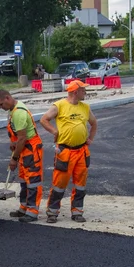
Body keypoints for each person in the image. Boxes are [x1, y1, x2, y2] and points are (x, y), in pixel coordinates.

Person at [39, 80, 97, 223]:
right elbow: (44, 120)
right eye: (83, 90)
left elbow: (94, 123)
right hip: (65, 152)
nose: (85, 92)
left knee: (80, 184)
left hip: (82, 151)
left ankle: (77, 212)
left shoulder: (85, 107)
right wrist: (54, 131)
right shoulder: (59, 106)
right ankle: (52, 213)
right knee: (59, 183)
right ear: (75, 92)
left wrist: (90, 139)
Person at [0, 89, 42, 223]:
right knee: (24, 180)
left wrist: (14, 159)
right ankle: (24, 207)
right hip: (24, 150)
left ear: (8, 98)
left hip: (31, 150)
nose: (1, 107)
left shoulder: (19, 113)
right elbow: (18, 138)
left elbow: (22, 138)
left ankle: (32, 212)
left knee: (33, 181)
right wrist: (14, 143)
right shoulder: (13, 110)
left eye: (1, 104)